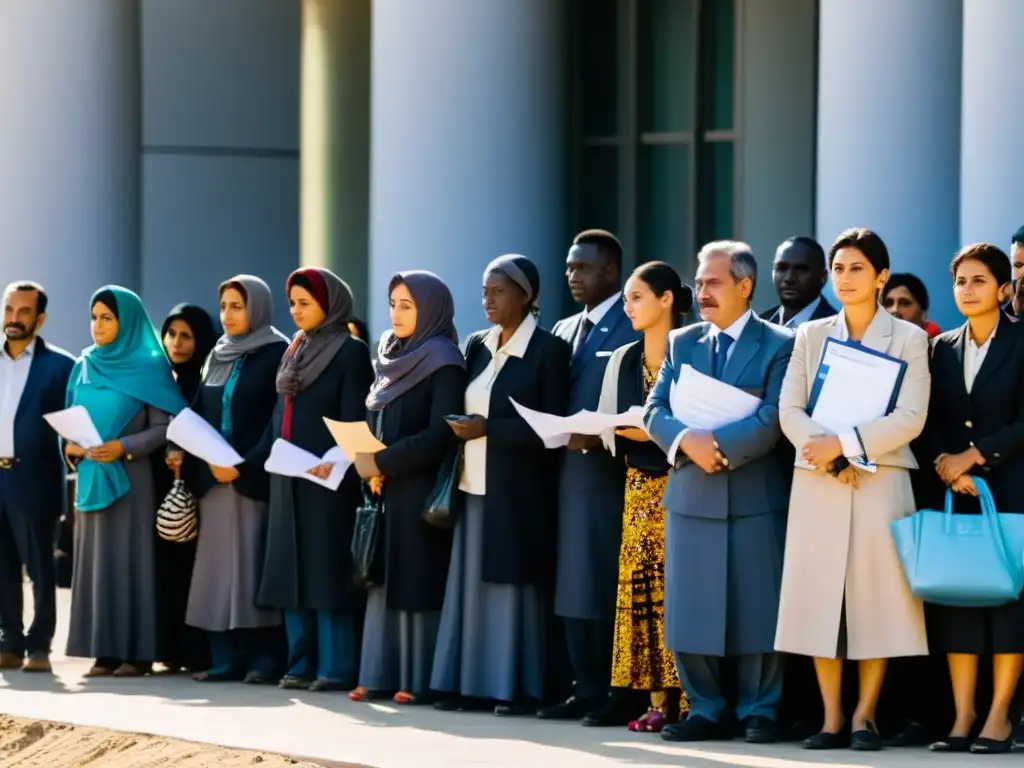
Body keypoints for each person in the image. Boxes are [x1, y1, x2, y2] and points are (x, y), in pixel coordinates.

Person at [774, 228, 930, 751]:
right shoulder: (810, 335)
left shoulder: (910, 338)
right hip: (818, 479)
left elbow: (912, 417)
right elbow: (789, 409)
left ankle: (866, 715)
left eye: (856, 268)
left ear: (881, 276)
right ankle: (831, 717)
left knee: (878, 600)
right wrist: (823, 449)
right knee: (818, 598)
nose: (844, 278)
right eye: (838, 268)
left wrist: (845, 443)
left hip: (880, 478)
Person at [644, 242, 794, 744]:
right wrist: (688, 441)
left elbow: (773, 416)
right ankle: (705, 708)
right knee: (692, 610)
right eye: (700, 283)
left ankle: (760, 710)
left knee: (758, 608)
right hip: (691, 493)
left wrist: (720, 447)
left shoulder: (780, 343)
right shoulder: (681, 342)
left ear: (745, 286)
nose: (701, 292)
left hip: (754, 495)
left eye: (713, 283)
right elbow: (654, 409)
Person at [432, 254, 569, 715]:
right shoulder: (475, 345)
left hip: (519, 491)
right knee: (470, 589)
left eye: (498, 290)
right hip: (472, 485)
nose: (487, 298)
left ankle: (516, 689)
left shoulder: (549, 351)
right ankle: (467, 684)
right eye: (485, 290)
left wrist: (489, 428)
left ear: (525, 297)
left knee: (513, 589)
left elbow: (554, 429)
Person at [914, 243, 1023, 755]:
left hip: (1011, 490)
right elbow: (926, 420)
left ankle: (999, 715)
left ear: (1004, 289)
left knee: (1006, 604)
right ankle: (963, 716)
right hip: (954, 492)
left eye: (979, 281)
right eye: (960, 281)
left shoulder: (1023, 341)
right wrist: (944, 462)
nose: (968, 290)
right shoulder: (941, 348)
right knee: (959, 599)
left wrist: (976, 455)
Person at [539, 229, 642, 726]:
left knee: (603, 585)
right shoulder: (561, 329)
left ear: (612, 273)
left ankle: (615, 691)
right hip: (565, 474)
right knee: (572, 587)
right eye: (569, 268)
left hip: (610, 474)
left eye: (583, 268)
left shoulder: (632, 324)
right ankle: (584, 686)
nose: (572, 276)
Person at [351, 271, 467, 705]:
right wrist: (371, 462)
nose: (396, 313)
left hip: (419, 484)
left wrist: (382, 461)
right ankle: (377, 672)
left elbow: (440, 433)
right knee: (381, 576)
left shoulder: (443, 360)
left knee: (416, 580)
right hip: (384, 484)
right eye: (393, 303)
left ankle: (416, 677)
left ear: (430, 309)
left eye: (408, 305)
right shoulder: (389, 355)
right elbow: (375, 417)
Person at [257, 268, 374, 692]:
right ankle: (299, 662)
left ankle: (336, 666)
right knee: (293, 568)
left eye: (305, 302)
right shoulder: (295, 350)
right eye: (293, 303)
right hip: (290, 474)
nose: (296, 311)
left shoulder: (350, 350)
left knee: (327, 569)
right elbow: (279, 414)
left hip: (330, 478)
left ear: (330, 304)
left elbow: (355, 416)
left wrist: (333, 460)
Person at [65, 286, 187, 677]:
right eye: (95, 316)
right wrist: (69, 447)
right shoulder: (83, 363)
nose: (98, 325)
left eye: (107, 317)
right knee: (95, 564)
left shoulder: (150, 365)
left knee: (131, 563)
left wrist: (123, 447)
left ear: (127, 321)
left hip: (131, 479)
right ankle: (103, 650)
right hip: (89, 476)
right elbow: (70, 414)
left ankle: (137, 653)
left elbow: (165, 427)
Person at [598, 262, 692, 733]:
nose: (628, 306)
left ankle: (693, 699)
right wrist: (647, 429)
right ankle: (656, 700)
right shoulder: (623, 358)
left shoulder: (692, 350)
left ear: (666, 299)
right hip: (638, 487)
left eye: (636, 297)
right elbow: (610, 425)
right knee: (644, 593)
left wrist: (651, 428)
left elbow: (695, 423)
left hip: (686, 483)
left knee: (686, 589)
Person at [184, 275, 289, 684]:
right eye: (224, 306)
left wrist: (244, 466)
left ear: (257, 309)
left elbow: (277, 420)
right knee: (216, 573)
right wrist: (201, 456)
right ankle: (223, 658)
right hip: (213, 479)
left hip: (253, 478)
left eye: (237, 306)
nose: (228, 315)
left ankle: (263, 659)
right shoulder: (217, 355)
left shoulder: (277, 351)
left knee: (251, 570)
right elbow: (199, 411)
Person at [0, 282, 74, 673]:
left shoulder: (61, 366)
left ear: (39, 318)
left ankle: (39, 646)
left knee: (40, 567)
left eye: (24, 311)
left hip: (35, 478)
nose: (14, 318)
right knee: (2, 566)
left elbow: (76, 425)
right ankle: (8, 640)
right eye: (9, 309)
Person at [154, 303, 216, 675]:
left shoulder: (204, 381)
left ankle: (196, 651)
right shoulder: (160, 380)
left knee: (194, 571)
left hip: (197, 485)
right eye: (171, 334)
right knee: (168, 571)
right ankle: (170, 647)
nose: (176, 343)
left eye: (186, 335)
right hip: (164, 489)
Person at [761, 237, 837, 328]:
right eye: (782, 268)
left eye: (801, 270)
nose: (789, 278)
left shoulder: (841, 330)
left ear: (823, 277)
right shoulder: (758, 327)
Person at [881, 273, 940, 338]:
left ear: (923, 314)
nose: (894, 310)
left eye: (905, 303)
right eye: (888, 303)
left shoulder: (942, 347)